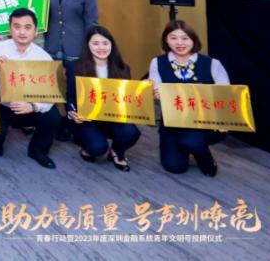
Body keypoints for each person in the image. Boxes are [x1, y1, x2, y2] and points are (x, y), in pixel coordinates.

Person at [0, 8, 62, 169]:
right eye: (17, 26)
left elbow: (50, 96)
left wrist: (33, 106)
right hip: (0, 105)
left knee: (52, 116)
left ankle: (38, 151)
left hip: (28, 107)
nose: (22, 32)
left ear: (35, 31)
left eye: (27, 27)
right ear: (10, 29)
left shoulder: (44, 58)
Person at [148, 20, 231, 176]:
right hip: (173, 124)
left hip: (205, 123)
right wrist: (155, 92)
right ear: (166, 40)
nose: (180, 43)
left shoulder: (212, 64)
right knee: (175, 167)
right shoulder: (157, 62)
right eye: (173, 38)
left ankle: (206, 159)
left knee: (191, 140)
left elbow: (225, 94)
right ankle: (185, 147)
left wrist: (223, 119)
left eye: (185, 38)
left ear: (193, 40)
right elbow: (156, 88)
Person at [67, 26, 140, 172]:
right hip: (87, 120)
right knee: (97, 148)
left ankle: (116, 151)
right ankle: (86, 147)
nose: (101, 47)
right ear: (88, 45)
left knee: (132, 132)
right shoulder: (75, 66)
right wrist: (72, 112)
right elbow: (70, 95)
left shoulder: (123, 68)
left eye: (105, 43)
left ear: (112, 45)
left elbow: (126, 98)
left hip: (113, 117)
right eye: (95, 43)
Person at [43, 0, 98, 141]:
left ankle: (75, 126)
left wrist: (90, 46)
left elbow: (92, 21)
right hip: (51, 45)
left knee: (74, 88)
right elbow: (40, 19)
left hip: (76, 45)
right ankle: (58, 125)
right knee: (53, 87)